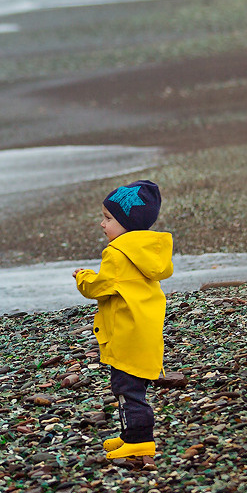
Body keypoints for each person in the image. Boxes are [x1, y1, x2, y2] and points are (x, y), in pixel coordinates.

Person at [74, 181, 172, 467]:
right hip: (145, 333)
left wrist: (83, 276)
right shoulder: (147, 251)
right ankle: (131, 436)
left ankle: (140, 441)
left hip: (127, 335)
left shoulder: (117, 254)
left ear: (128, 224)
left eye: (108, 218)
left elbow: (100, 288)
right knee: (132, 388)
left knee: (128, 391)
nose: (102, 224)